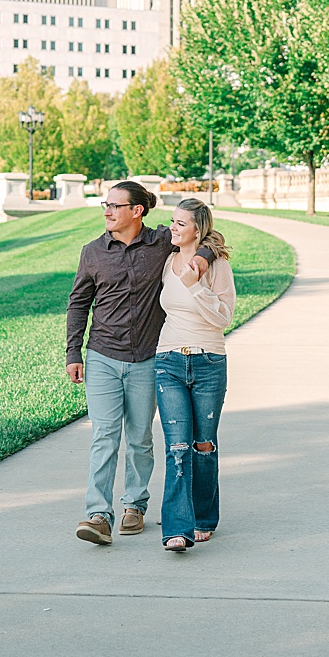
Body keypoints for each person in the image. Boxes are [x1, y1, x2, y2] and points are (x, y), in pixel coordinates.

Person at [65, 180, 212, 546]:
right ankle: (99, 515)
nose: (107, 211)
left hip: (147, 358)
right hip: (102, 355)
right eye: (105, 205)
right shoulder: (92, 252)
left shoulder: (161, 242)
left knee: (140, 438)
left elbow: (208, 235)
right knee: (104, 435)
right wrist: (73, 353)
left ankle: (134, 504)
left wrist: (203, 257)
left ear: (137, 211)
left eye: (114, 206)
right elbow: (78, 303)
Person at [155, 198, 236, 552]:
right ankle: (177, 528)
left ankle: (203, 518)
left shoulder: (217, 266)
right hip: (168, 361)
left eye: (180, 223)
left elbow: (223, 317)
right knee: (177, 446)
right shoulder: (167, 261)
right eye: (172, 221)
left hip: (208, 362)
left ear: (198, 230)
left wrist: (195, 284)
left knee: (203, 445)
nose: (172, 228)